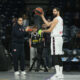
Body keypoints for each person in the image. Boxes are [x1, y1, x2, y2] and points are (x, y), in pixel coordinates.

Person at [40, 8, 64, 80]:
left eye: (55, 11)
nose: (53, 12)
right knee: (59, 55)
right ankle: (60, 74)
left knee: (54, 55)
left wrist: (43, 31)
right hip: (60, 38)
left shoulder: (56, 19)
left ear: (58, 11)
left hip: (55, 39)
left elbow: (50, 29)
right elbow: (47, 24)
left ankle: (57, 74)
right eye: (53, 11)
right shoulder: (60, 19)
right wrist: (42, 16)